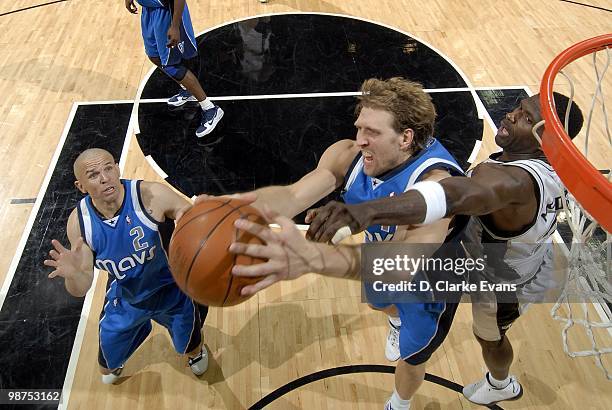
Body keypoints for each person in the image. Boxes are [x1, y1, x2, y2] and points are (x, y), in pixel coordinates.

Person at [291, 92, 584, 405]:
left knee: (488, 337)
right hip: (496, 253)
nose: (511, 115)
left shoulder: (515, 181)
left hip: (500, 278)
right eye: (518, 108)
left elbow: (455, 195)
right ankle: (399, 320)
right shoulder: (534, 163)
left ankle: (501, 384)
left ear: (548, 143)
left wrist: (368, 211)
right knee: (386, 289)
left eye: (527, 119)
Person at [208, 77, 467, 410]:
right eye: (359, 127)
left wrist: (314, 257)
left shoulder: (435, 185)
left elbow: (402, 264)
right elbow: (291, 196)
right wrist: (229, 207)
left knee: (411, 356)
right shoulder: (350, 154)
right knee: (377, 302)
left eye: (372, 132)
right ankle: (395, 318)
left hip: (430, 280)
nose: (360, 139)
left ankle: (399, 403)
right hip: (382, 257)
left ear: (406, 138)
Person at [43, 148, 209, 384]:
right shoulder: (80, 223)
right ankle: (131, 340)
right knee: (105, 369)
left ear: (117, 168)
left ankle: (196, 352)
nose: (105, 178)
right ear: (80, 186)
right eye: (93, 175)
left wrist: (196, 220)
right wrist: (73, 275)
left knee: (190, 347)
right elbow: (81, 287)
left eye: (109, 168)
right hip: (127, 296)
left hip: (172, 290)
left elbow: (185, 212)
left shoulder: (151, 194)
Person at [125, 0, 223, 138]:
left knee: (170, 64)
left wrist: (175, 25)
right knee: (154, 56)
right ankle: (187, 89)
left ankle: (210, 108)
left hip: (167, 14)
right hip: (148, 11)